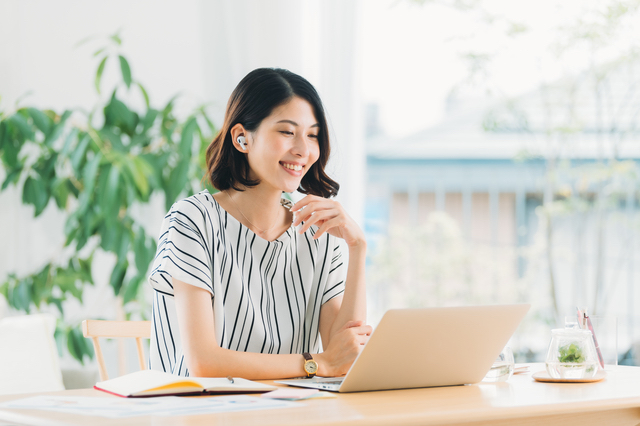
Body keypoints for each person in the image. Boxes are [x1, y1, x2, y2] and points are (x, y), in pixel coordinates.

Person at [148, 68, 370, 379]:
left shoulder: (317, 234)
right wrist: (316, 363)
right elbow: (203, 363)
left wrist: (358, 247)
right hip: (198, 413)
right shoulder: (193, 221)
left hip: (287, 414)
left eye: (312, 134)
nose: (303, 150)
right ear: (241, 138)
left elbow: (343, 353)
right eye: (286, 132)